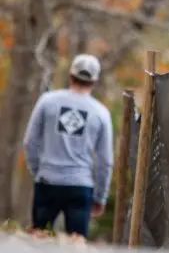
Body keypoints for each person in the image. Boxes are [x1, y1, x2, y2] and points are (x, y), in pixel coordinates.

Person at [22, 54, 114, 238]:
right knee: (76, 249)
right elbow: (105, 161)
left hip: (47, 182)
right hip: (80, 187)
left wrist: (39, 171)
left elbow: (30, 142)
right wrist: (100, 197)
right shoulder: (101, 113)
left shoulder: (47, 101)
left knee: (38, 241)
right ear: (94, 81)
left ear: (71, 76)